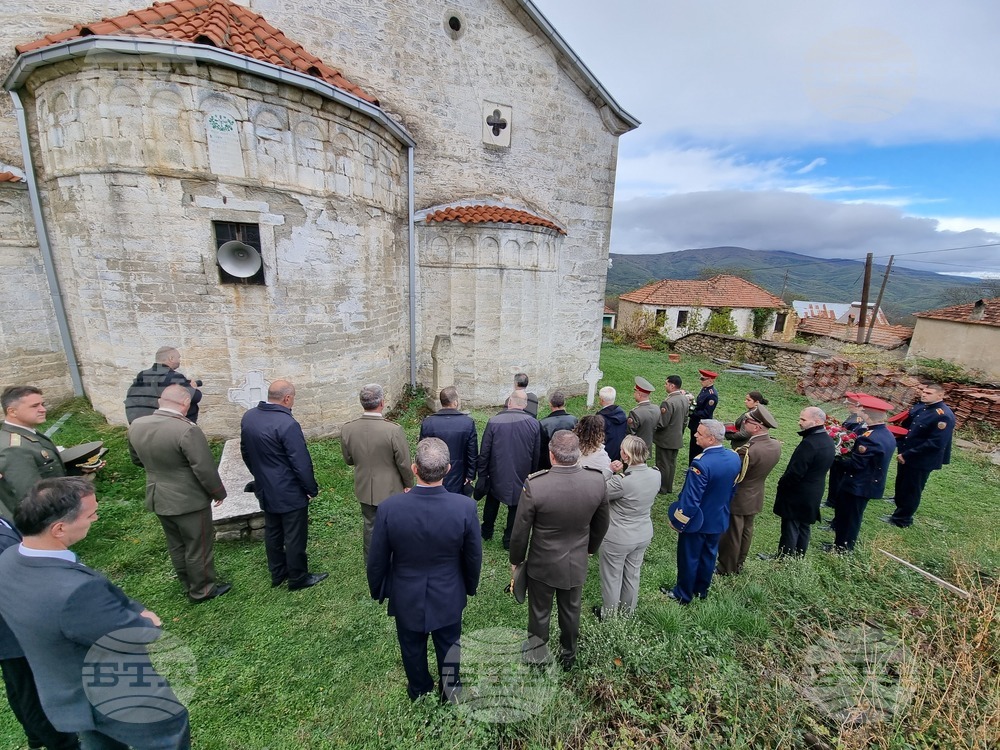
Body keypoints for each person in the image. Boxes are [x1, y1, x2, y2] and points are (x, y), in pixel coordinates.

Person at [0, 477, 190, 748]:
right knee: (169, 735)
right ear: (59, 528)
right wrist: (146, 620)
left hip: (68, 694)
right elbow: (132, 635)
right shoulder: (75, 592)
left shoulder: (8, 562)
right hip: (120, 697)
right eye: (90, 515)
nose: (96, 518)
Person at [367, 438, 482, 703]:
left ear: (414, 469)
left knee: (411, 644)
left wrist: (378, 589)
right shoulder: (464, 507)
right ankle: (450, 690)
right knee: (450, 644)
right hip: (449, 590)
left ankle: (419, 688)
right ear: (448, 469)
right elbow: (473, 556)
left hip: (406, 591)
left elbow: (377, 558)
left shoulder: (389, 508)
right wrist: (469, 586)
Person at [508, 431, 609, 669]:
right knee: (571, 611)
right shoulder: (597, 481)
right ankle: (568, 655)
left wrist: (516, 560)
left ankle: (537, 657)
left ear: (551, 455)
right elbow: (602, 523)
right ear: (578, 454)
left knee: (539, 612)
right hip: (576, 560)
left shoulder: (536, 485)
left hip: (542, 562)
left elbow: (521, 529)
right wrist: (590, 548)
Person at [127, 385, 230, 603]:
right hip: (189, 499)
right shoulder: (187, 430)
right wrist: (217, 492)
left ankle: (187, 583)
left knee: (176, 543)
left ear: (160, 402)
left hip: (158, 495)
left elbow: (136, 460)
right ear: (185, 403)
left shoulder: (137, 425)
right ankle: (202, 590)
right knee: (198, 545)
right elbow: (203, 468)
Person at [0, 513, 80, 750]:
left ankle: (36, 736)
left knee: (19, 684)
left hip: (13, 622)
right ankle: (61, 743)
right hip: (12, 626)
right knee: (31, 689)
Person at [241, 380, 327, 590]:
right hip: (289, 490)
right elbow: (300, 462)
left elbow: (245, 451)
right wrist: (310, 488)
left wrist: (259, 475)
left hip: (265, 486)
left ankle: (278, 572)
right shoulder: (287, 424)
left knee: (273, 531)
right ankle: (298, 577)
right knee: (294, 535)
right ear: (287, 398)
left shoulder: (249, 417)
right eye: (293, 398)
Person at [660, 419, 741, 604]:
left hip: (697, 522)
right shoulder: (734, 457)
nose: (695, 435)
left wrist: (679, 521)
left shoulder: (701, 464)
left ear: (711, 439)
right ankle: (701, 591)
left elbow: (691, 500)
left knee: (689, 557)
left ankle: (683, 594)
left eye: (700, 433)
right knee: (709, 556)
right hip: (718, 518)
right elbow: (733, 488)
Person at [341, 384, 414, 560]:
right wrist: (409, 484)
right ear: (382, 402)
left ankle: (372, 561)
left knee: (370, 525)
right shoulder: (393, 430)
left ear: (362, 403)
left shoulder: (348, 429)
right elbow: (404, 463)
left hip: (364, 487)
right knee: (394, 524)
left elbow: (349, 460)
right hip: (391, 489)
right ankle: (395, 559)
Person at [595, 436, 659, 619]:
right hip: (643, 532)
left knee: (612, 578)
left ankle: (609, 617)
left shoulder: (621, 482)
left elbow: (596, 491)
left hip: (619, 536)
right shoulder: (656, 474)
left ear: (626, 455)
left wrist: (609, 471)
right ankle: (627, 614)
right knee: (632, 575)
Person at [826, 395, 897, 553]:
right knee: (851, 516)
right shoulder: (886, 434)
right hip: (868, 482)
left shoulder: (868, 438)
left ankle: (842, 548)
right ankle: (841, 545)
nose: (859, 412)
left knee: (848, 517)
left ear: (867, 415)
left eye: (862, 411)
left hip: (858, 484)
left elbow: (856, 464)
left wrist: (835, 457)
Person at [716, 406, 781, 575]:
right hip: (756, 494)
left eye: (747, 421)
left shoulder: (747, 451)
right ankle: (739, 563)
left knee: (732, 534)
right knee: (746, 531)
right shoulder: (775, 445)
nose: (744, 423)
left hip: (740, 496)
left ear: (757, 427)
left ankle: (726, 567)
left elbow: (733, 475)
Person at [883, 382, 955, 528]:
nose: (924, 394)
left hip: (921, 458)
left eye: (929, 393)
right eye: (923, 391)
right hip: (907, 452)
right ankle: (899, 500)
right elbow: (909, 427)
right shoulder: (922, 407)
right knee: (902, 480)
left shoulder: (943, 416)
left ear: (940, 395)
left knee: (912, 489)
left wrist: (908, 455)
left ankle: (902, 519)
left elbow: (936, 443)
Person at [765, 407, 835, 557]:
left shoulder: (810, 443)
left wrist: (782, 483)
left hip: (799, 491)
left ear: (817, 421)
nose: (799, 422)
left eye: (803, 419)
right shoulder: (828, 440)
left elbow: (796, 472)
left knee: (791, 526)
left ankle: (784, 558)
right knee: (804, 526)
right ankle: (798, 556)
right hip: (815, 490)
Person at [476, 391, 540, 549]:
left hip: (497, 470)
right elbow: (536, 453)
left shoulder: (494, 421)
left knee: (492, 500)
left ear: (510, 402)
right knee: (516, 506)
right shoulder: (534, 424)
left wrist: (483, 473)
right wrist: (532, 474)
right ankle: (509, 540)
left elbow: (485, 451)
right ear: (525, 405)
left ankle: (486, 531)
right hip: (522, 471)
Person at [1, 386, 67, 517]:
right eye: (35, 406)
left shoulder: (26, 432)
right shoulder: (14, 448)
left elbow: (46, 470)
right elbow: (32, 496)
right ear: (12, 411)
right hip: (45, 518)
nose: (43, 409)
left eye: (43, 404)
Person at [418, 386, 478, 496]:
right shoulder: (467, 423)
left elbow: (423, 452)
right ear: (455, 402)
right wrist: (470, 475)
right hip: (459, 474)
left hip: (434, 474)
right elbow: (472, 454)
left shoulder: (428, 423)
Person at [124, 346, 202, 423]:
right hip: (168, 424)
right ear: (171, 358)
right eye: (178, 358)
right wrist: (193, 388)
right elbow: (195, 397)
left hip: (142, 422)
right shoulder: (173, 376)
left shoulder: (143, 375)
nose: (179, 361)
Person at [825, 392, 868, 510]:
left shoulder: (861, 421)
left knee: (839, 477)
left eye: (850, 405)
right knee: (835, 475)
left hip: (848, 454)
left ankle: (834, 500)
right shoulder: (853, 416)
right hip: (842, 451)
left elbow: (855, 437)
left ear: (857, 406)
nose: (847, 406)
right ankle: (831, 499)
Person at [653, 375, 689, 494]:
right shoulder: (684, 399)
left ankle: (662, 488)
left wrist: (652, 426)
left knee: (662, 464)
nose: (665, 386)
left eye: (666, 383)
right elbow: (685, 420)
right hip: (676, 438)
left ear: (672, 386)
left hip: (665, 439)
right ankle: (668, 487)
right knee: (671, 463)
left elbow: (662, 423)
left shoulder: (668, 402)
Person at [537, 391, 578, 469]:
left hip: (550, 463)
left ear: (550, 404)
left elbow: (540, 447)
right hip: (570, 460)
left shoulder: (543, 423)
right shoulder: (573, 420)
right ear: (564, 403)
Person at [688, 369, 719, 464]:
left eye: (703, 379)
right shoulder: (704, 389)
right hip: (695, 424)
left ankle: (696, 466)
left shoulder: (712, 395)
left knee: (697, 448)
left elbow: (706, 413)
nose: (700, 381)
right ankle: (691, 465)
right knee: (693, 446)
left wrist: (692, 413)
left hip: (701, 425)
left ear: (710, 380)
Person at [626, 376, 659, 452]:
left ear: (639, 394)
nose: (634, 394)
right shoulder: (656, 408)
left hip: (635, 450)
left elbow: (629, 434)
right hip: (647, 448)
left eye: (635, 392)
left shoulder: (635, 412)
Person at [596, 386, 628, 463]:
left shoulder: (600, 418)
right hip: (619, 450)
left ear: (601, 400)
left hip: (605, 453)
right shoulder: (622, 414)